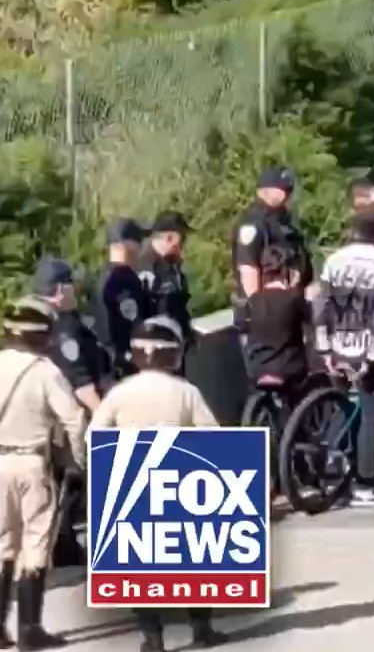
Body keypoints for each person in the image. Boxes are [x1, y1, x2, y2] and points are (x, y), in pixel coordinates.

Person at [90, 317, 223, 652]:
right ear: (174, 355)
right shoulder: (187, 392)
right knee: (194, 559)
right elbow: (214, 438)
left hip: (131, 482)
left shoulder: (120, 393)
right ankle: (202, 628)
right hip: (180, 483)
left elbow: (95, 437)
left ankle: (153, 638)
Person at [0, 297, 87, 651]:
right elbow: (74, 419)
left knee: (2, 545)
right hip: (32, 464)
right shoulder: (45, 371)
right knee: (34, 546)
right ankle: (30, 629)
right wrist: (78, 461)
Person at [313, 201, 374, 501]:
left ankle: (333, 469)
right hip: (367, 348)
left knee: (342, 404)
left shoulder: (334, 260)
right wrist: (373, 354)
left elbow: (321, 305)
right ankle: (365, 482)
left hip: (336, 344)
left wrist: (324, 347)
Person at [230, 165, 310, 331]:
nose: (285, 194)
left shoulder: (284, 223)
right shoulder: (252, 223)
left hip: (287, 309)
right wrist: (261, 311)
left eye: (288, 190)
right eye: (280, 189)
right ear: (264, 190)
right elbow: (248, 270)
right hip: (263, 317)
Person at [35, 258, 105, 413]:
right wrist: (105, 418)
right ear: (60, 289)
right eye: (71, 283)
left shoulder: (40, 322)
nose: (75, 288)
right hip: (77, 414)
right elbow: (82, 387)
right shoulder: (64, 328)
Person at [243, 244, 315, 393]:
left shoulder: (253, 301)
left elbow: (242, 326)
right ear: (286, 270)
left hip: (256, 369)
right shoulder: (294, 298)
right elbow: (313, 321)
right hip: (288, 367)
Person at [99, 218, 155, 378]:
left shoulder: (104, 275)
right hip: (126, 366)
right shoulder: (123, 279)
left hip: (110, 363)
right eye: (138, 241)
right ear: (126, 245)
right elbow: (135, 325)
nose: (142, 248)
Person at [135, 211, 193, 346]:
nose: (183, 245)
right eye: (182, 239)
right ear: (169, 238)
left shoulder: (172, 265)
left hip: (177, 346)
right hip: (157, 349)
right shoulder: (145, 268)